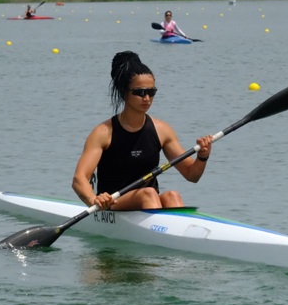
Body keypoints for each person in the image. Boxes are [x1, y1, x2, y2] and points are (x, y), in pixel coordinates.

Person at [72, 51, 213, 211]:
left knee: (172, 195)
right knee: (148, 194)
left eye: (151, 92)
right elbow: (79, 178)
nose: (146, 98)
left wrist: (202, 157)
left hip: (148, 201)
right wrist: (93, 199)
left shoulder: (162, 130)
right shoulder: (103, 132)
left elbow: (191, 174)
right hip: (113, 204)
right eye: (139, 92)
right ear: (124, 93)